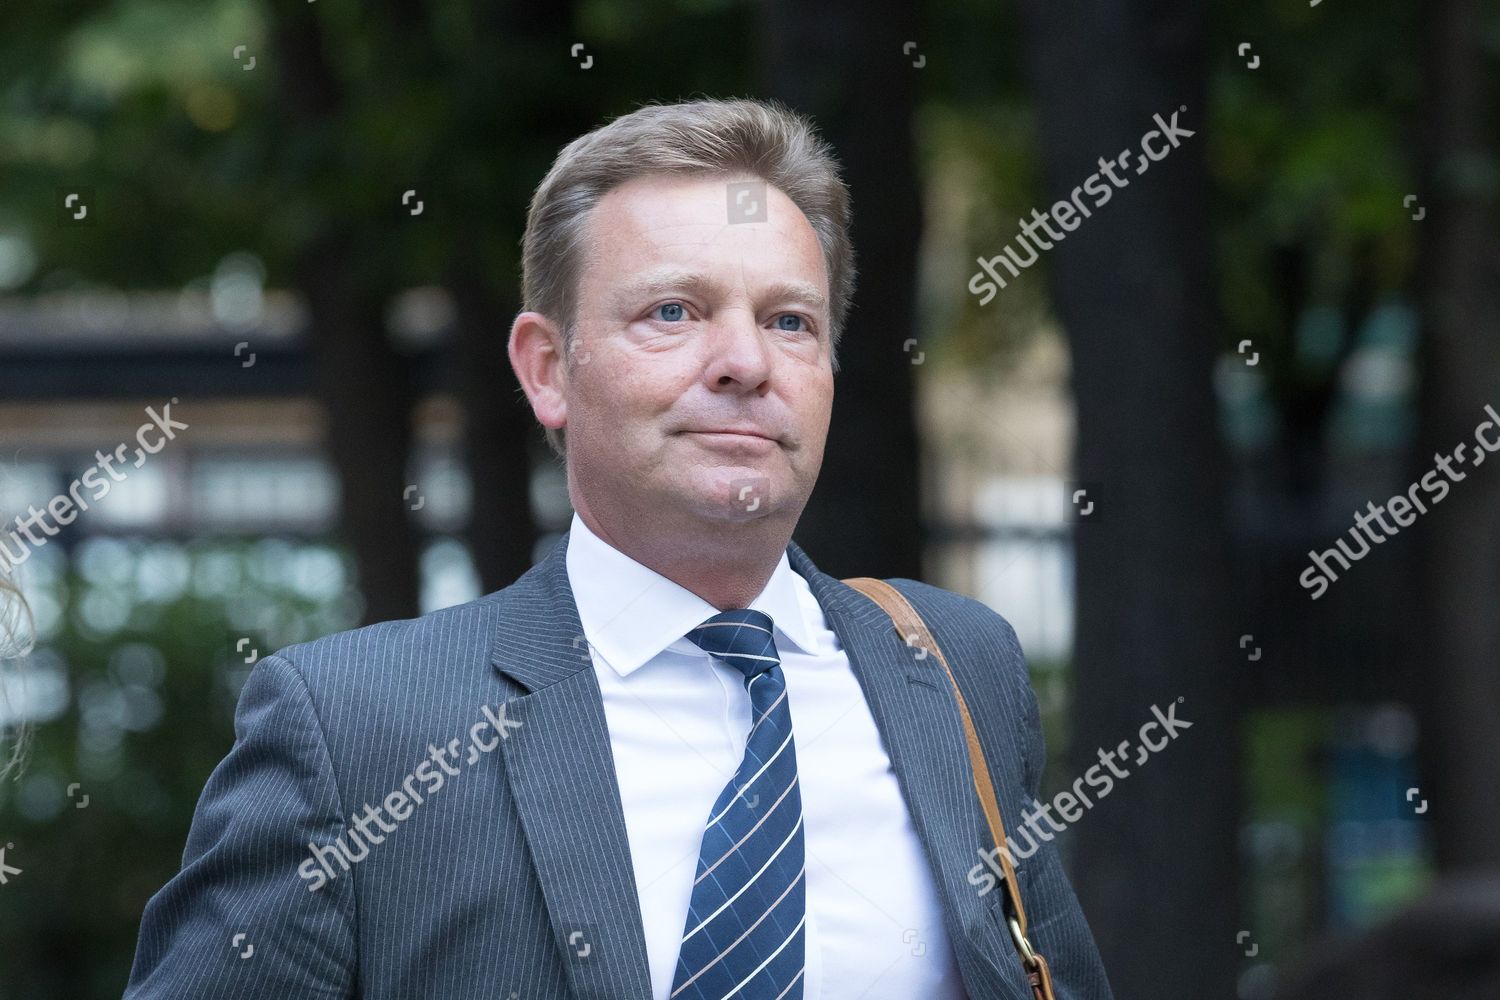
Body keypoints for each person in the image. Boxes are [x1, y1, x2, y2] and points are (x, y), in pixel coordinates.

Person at [122, 96, 1112, 1000]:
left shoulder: (951, 667)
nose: (744, 362)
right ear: (547, 370)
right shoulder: (356, 732)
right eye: (672, 312)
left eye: (789, 320)